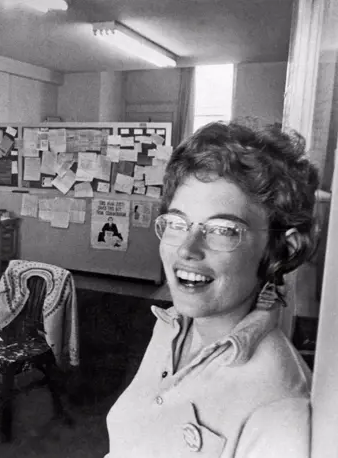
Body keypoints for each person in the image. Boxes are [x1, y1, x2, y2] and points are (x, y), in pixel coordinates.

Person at [104, 121, 318, 457]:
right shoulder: (171, 325)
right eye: (177, 223)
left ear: (281, 250)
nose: (187, 249)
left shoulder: (279, 408)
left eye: (222, 229)